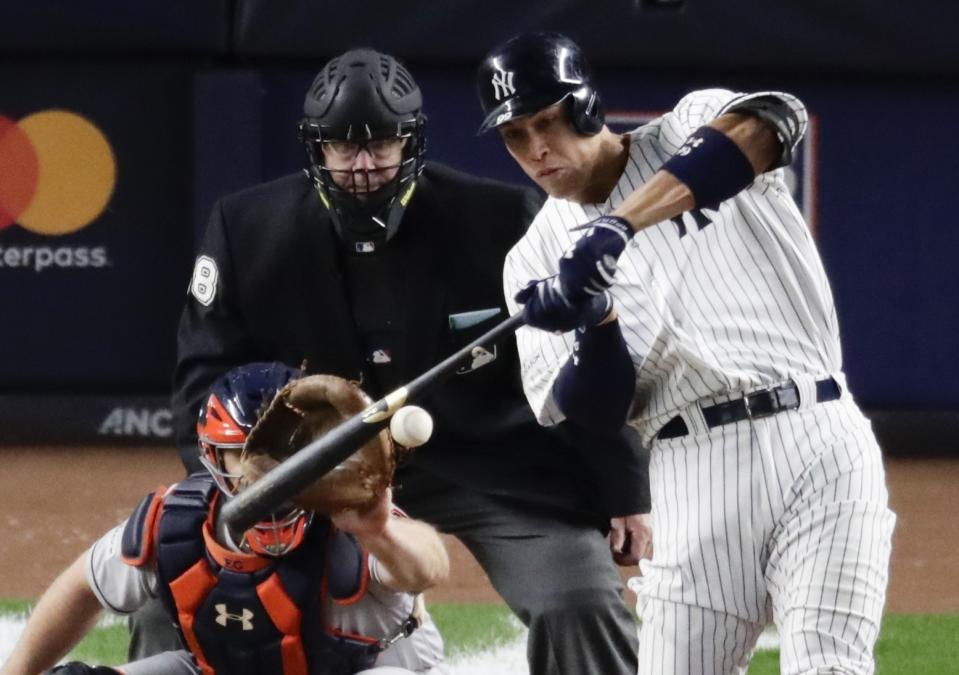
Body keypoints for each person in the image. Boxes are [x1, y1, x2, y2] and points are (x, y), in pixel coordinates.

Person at [167, 48, 650, 675]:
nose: (363, 165)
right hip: (318, 474)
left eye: (381, 145)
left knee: (579, 600)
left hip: (491, 463)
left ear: (413, 141)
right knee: (184, 573)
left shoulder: (504, 219)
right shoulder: (245, 229)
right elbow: (202, 377)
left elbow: (573, 357)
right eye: (342, 146)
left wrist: (624, 486)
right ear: (315, 149)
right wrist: (234, 482)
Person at [477, 31, 896, 675]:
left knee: (830, 666)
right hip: (688, 466)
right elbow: (593, 412)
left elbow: (771, 121)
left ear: (586, 106)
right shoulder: (532, 260)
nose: (536, 149)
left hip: (817, 437)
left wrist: (618, 227)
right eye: (515, 135)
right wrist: (597, 320)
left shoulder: (688, 126)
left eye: (548, 121)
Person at [0, 362, 448, 675]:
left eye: (282, 451)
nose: (268, 470)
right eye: (246, 454)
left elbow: (429, 568)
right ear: (214, 457)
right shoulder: (175, 523)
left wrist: (381, 531)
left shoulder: (349, 515)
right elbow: (82, 588)